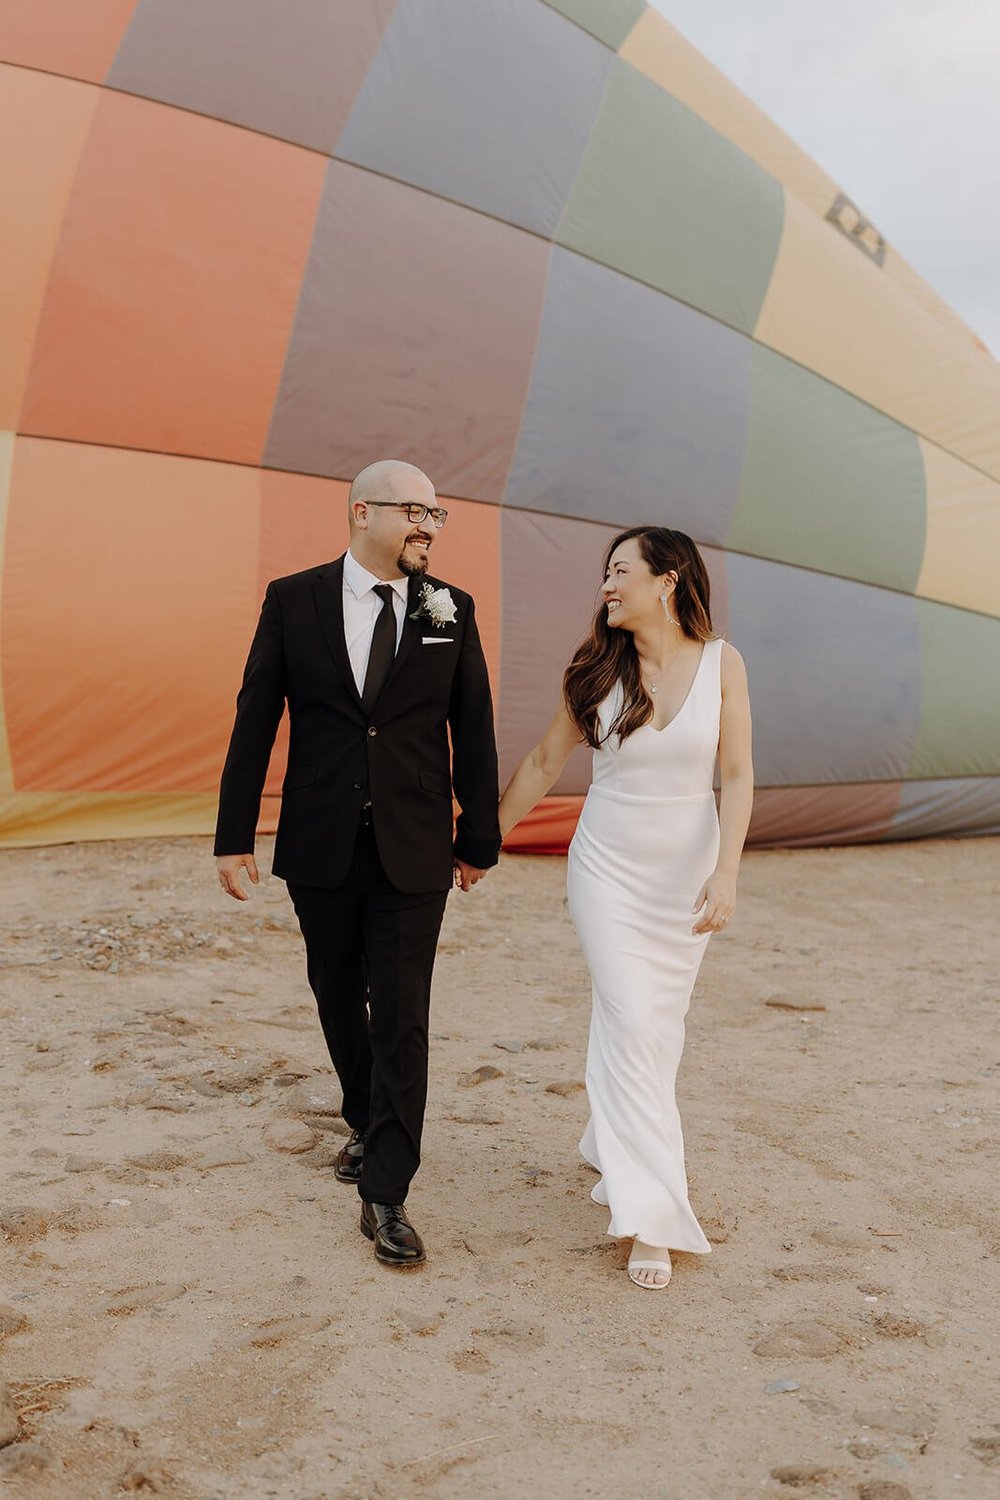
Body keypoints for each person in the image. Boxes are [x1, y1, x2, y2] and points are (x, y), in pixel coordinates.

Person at [214, 460, 500, 1269]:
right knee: (337, 996)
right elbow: (254, 719)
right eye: (416, 512)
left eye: (438, 516)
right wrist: (235, 834)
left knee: (402, 1012)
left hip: (415, 846)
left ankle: (387, 1189)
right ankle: (365, 1113)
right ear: (362, 510)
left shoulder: (452, 609)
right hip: (320, 841)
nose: (429, 528)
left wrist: (479, 837)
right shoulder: (293, 598)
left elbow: (471, 729)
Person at [498, 526, 753, 1289]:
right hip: (606, 871)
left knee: (651, 1028)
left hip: (686, 875)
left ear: (667, 579)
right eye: (605, 574)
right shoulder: (595, 670)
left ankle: (607, 1137)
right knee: (634, 1017)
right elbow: (546, 761)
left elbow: (737, 776)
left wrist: (729, 872)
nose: (606, 585)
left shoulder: (722, 664)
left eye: (620, 571)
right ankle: (651, 1215)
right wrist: (479, 843)